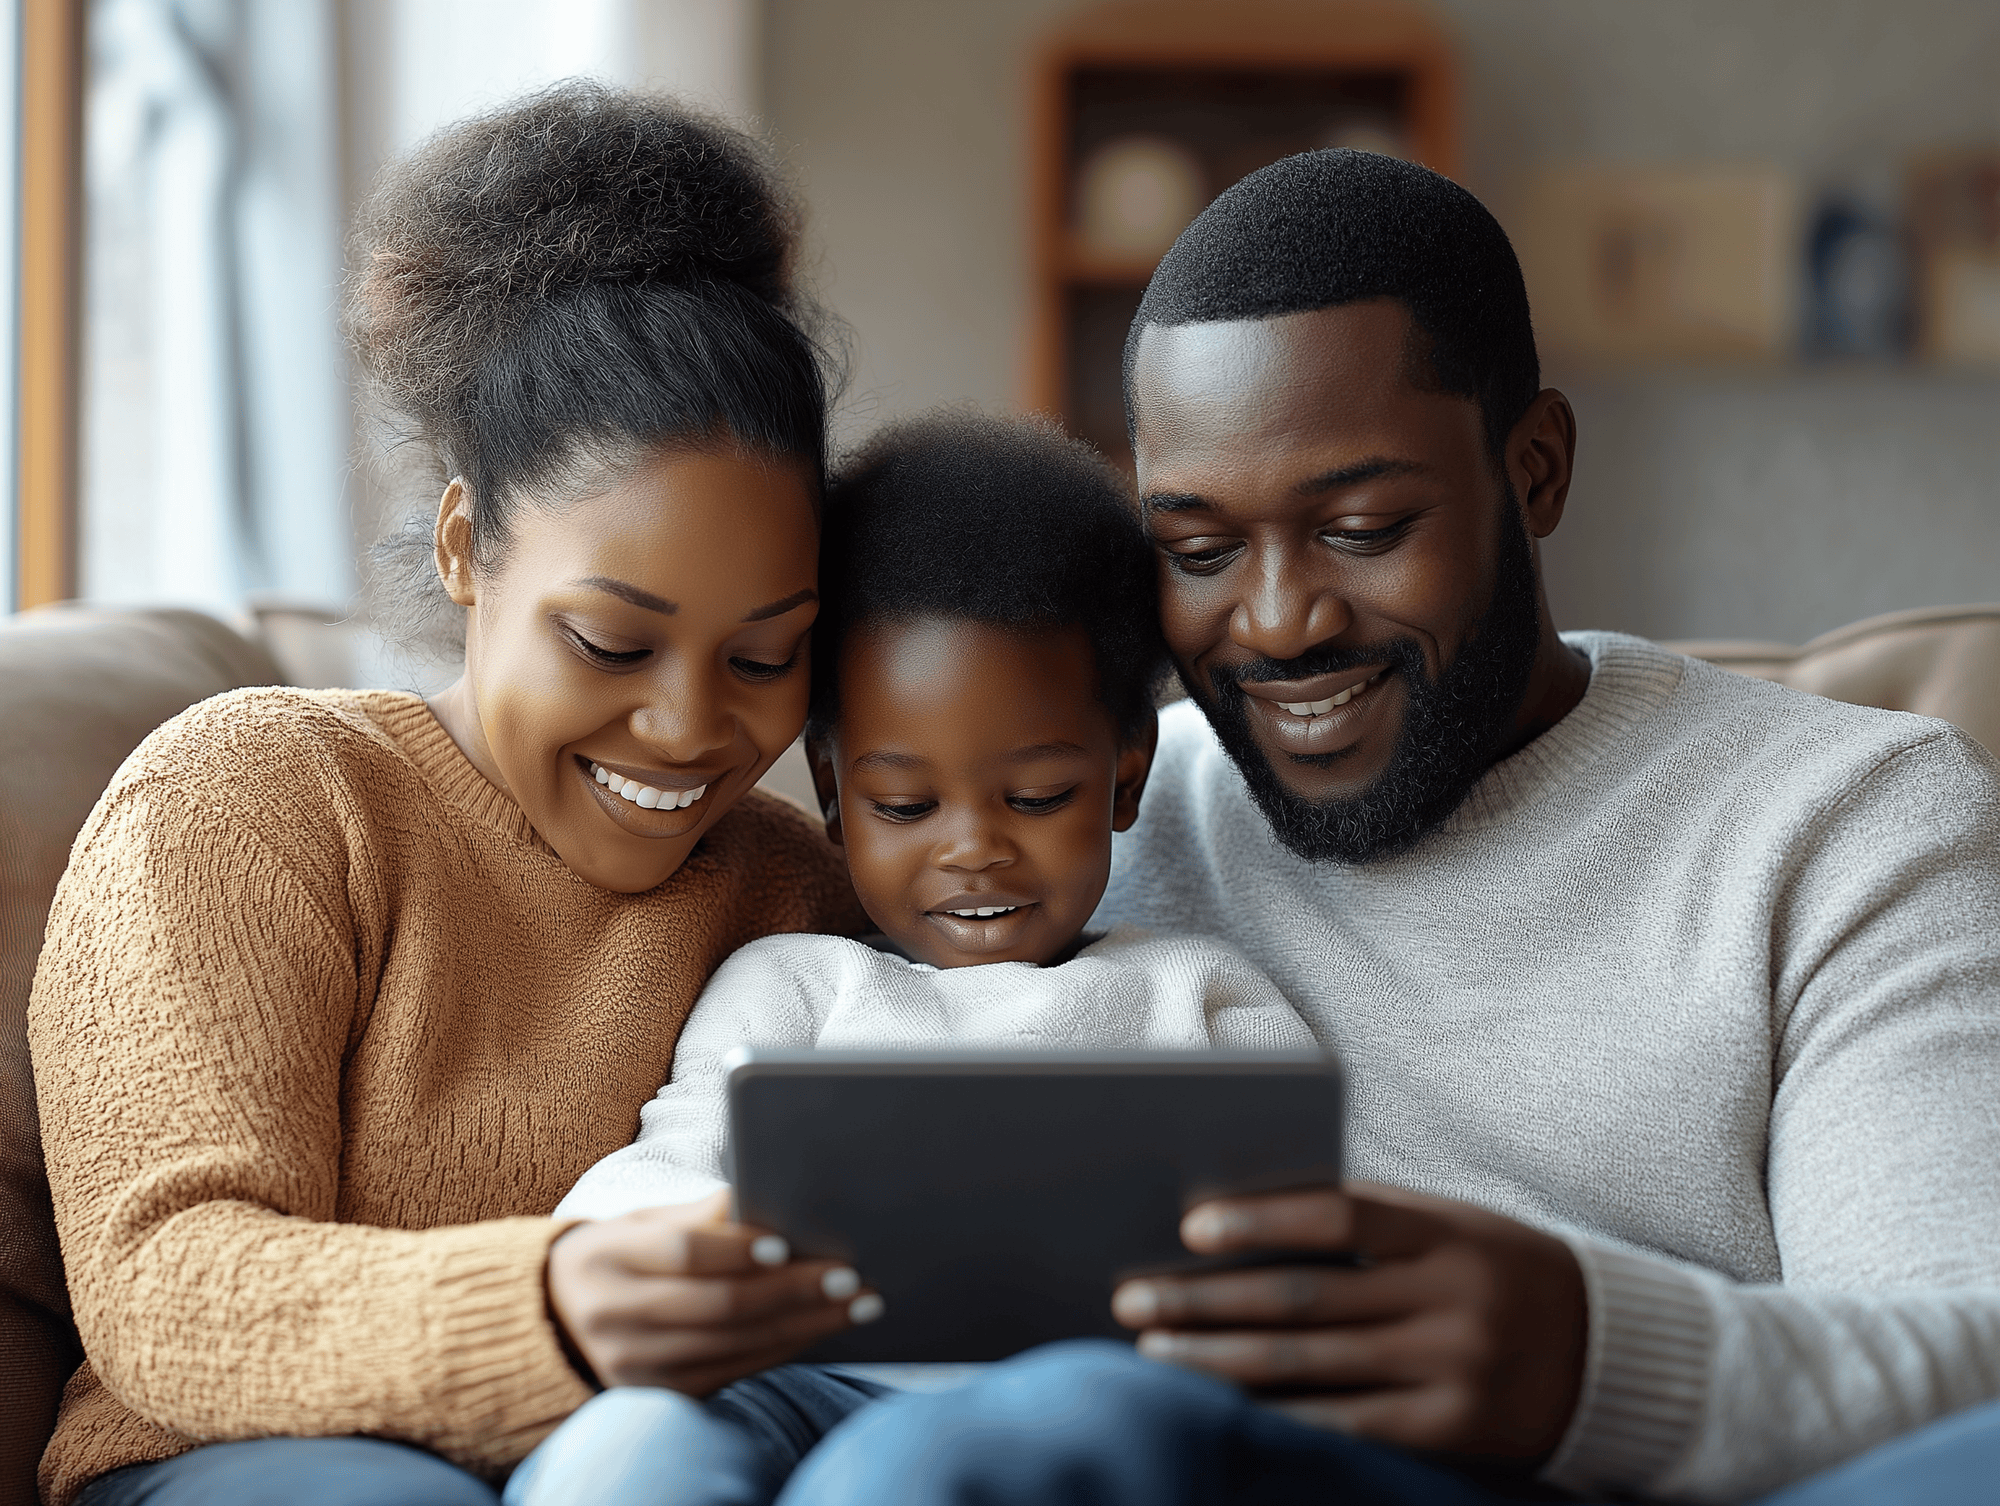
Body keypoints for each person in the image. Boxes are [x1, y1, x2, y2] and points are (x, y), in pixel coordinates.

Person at [774, 152, 2000, 1504]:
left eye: (1362, 526)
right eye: (1198, 551)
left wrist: (1590, 1356)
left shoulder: (1845, 822)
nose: (1281, 620)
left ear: (1533, 471)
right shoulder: (1079, 805)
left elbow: (1974, 1361)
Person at [27, 85, 885, 1506]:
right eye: (612, 642)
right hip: (229, 1464)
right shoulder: (252, 795)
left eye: (765, 654)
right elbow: (163, 1283)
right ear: (469, 545)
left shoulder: (793, 888)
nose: (688, 728)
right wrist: (549, 1303)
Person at [505, 411, 1318, 1506]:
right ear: (833, 797)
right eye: (904, 804)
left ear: (1125, 778)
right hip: (797, 1381)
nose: (973, 848)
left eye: (1036, 798)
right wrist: (633, 1265)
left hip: (1071, 1404)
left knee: (903, 1475)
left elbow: (1310, 1238)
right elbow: (656, 1179)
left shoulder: (1200, 996)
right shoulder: (793, 986)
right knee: (631, 1448)